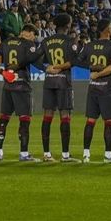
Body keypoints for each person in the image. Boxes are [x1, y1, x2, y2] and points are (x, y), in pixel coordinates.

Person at [0, 23, 40, 162]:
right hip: (22, 86)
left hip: (8, 86)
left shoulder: (6, 43)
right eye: (33, 35)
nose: (33, 38)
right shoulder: (28, 44)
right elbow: (33, 60)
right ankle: (24, 154)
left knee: (3, 119)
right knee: (24, 121)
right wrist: (47, 68)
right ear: (27, 33)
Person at [78, 19, 111, 163]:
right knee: (109, 122)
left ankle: (86, 154)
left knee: (90, 121)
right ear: (107, 30)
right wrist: (99, 72)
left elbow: (78, 60)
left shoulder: (89, 45)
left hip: (93, 88)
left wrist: (92, 67)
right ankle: (108, 155)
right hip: (107, 88)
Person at [35, 13, 77, 161]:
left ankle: (47, 154)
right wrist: (61, 66)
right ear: (67, 25)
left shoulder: (46, 40)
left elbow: (33, 58)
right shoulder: (70, 41)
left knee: (47, 117)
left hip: (49, 81)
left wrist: (45, 68)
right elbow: (74, 60)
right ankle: (65, 155)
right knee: (65, 116)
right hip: (63, 81)